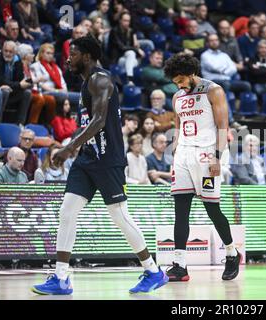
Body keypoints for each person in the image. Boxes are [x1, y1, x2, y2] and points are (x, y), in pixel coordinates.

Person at [32, 35, 168, 295]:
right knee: (67, 212)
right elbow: (86, 126)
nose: (68, 58)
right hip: (87, 159)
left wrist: (69, 148)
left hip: (108, 160)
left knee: (120, 217)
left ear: (87, 55)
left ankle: (153, 271)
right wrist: (73, 145)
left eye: (72, 54)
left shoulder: (100, 79)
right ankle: (61, 277)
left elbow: (98, 121)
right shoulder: (86, 84)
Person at [164, 53, 241, 281]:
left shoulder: (213, 90)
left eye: (180, 79)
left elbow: (222, 126)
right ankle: (180, 264)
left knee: (212, 209)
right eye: (174, 81)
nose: (177, 84)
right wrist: (175, 153)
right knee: (180, 211)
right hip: (184, 156)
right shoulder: (177, 96)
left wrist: (218, 157)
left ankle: (231, 253)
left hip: (207, 154)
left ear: (191, 73)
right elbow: (178, 128)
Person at [0, 41, 32, 125]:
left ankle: (20, 124)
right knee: (5, 91)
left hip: (13, 89)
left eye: (10, 52)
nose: (7, 54)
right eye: (5, 51)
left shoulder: (17, 61)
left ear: (15, 53)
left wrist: (20, 84)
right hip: (0, 88)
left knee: (27, 93)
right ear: (2, 50)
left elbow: (20, 79)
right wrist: (18, 85)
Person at [17, 43, 57, 126]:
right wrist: (38, 79)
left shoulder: (29, 66)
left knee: (51, 99)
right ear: (25, 56)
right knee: (40, 99)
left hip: (34, 90)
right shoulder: (19, 66)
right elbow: (24, 82)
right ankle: (32, 124)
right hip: (25, 91)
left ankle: (50, 125)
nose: (33, 55)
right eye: (31, 53)